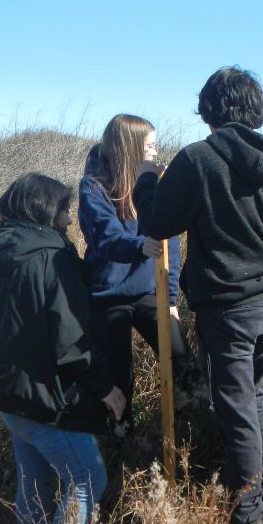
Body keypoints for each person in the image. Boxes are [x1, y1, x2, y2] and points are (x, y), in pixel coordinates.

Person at [134, 67, 263, 524]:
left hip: (227, 308)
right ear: (256, 108)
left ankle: (246, 521)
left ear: (209, 110)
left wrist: (147, 181)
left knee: (237, 409)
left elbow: (157, 222)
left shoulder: (198, 160)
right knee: (254, 398)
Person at [0, 173, 126, 524]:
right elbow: (69, 334)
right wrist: (105, 386)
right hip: (43, 395)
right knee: (88, 478)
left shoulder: (0, 251)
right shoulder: (52, 256)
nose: (69, 219)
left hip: (6, 391)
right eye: (64, 209)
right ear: (44, 209)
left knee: (35, 481)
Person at [78, 114, 191, 438]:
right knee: (118, 378)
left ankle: (186, 439)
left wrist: (170, 300)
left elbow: (172, 244)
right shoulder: (94, 186)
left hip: (149, 290)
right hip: (108, 293)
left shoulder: (158, 180)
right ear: (129, 148)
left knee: (183, 365)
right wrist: (142, 245)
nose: (155, 153)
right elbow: (106, 238)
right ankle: (121, 447)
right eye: (150, 146)